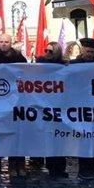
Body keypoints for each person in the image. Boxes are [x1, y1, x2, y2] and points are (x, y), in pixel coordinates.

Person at [0, 34, 28, 176]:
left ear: (11, 43)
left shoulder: (20, 59)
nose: (3, 44)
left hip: (16, 101)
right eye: (1, 42)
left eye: (6, 42)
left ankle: (17, 165)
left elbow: (27, 75)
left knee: (17, 134)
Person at [69, 37, 94, 179]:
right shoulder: (73, 64)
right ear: (82, 49)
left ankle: (92, 164)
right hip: (80, 105)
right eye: (87, 51)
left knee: (93, 136)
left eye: (92, 52)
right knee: (83, 136)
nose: (89, 54)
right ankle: (83, 169)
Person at [35, 42, 67, 177]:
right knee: (48, 136)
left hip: (60, 106)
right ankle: (51, 166)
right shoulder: (40, 62)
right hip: (45, 106)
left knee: (60, 137)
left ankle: (60, 167)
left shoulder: (64, 65)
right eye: (46, 50)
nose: (47, 53)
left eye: (50, 51)